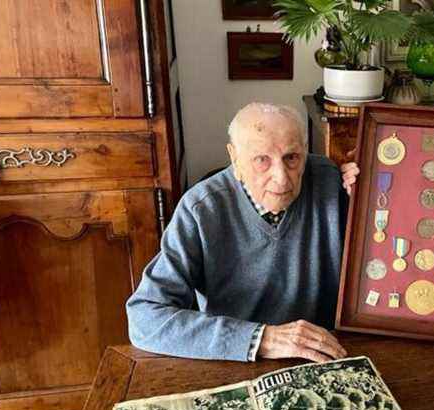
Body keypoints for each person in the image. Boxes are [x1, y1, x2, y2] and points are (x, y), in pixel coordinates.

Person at [126, 102, 360, 363]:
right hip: (238, 362)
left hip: (325, 355)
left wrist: (369, 199)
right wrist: (260, 339)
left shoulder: (330, 181)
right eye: (262, 160)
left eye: (291, 158)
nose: (281, 178)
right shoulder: (201, 209)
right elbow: (144, 318)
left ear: (305, 152)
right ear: (234, 158)